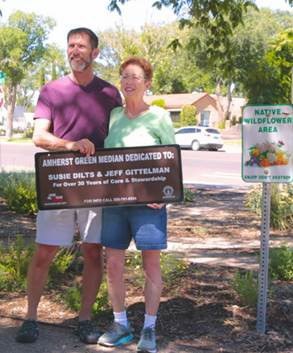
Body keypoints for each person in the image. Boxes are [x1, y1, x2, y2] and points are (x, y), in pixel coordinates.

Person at [15, 27, 122, 344]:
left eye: (82, 46)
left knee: (92, 252)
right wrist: (71, 144)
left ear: (95, 53)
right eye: (71, 46)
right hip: (59, 181)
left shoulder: (109, 94)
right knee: (44, 252)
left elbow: (118, 139)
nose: (75, 51)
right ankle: (30, 318)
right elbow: (39, 136)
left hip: (96, 185)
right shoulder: (52, 90)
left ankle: (85, 320)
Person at [97, 57, 175, 353]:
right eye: (124, 76)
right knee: (113, 264)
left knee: (150, 265)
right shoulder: (114, 115)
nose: (128, 82)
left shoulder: (159, 117)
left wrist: (164, 195)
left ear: (147, 83)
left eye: (135, 77)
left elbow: (171, 160)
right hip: (115, 203)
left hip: (149, 206)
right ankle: (121, 325)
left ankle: (149, 329)